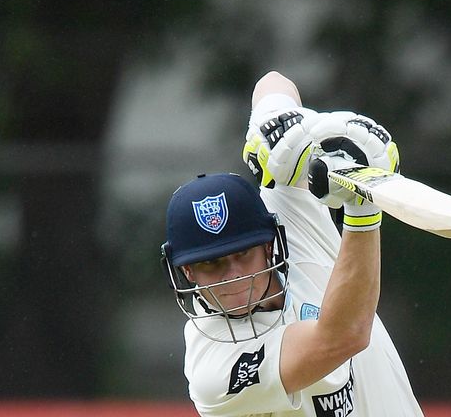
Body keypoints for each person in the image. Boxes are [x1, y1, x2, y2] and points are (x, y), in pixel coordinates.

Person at [162, 71, 424, 416]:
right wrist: (362, 208)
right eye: (212, 265)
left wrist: (281, 132)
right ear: (188, 273)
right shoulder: (213, 365)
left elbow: (273, 82)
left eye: (243, 254)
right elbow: (343, 337)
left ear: (270, 246)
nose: (233, 276)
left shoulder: (293, 220)